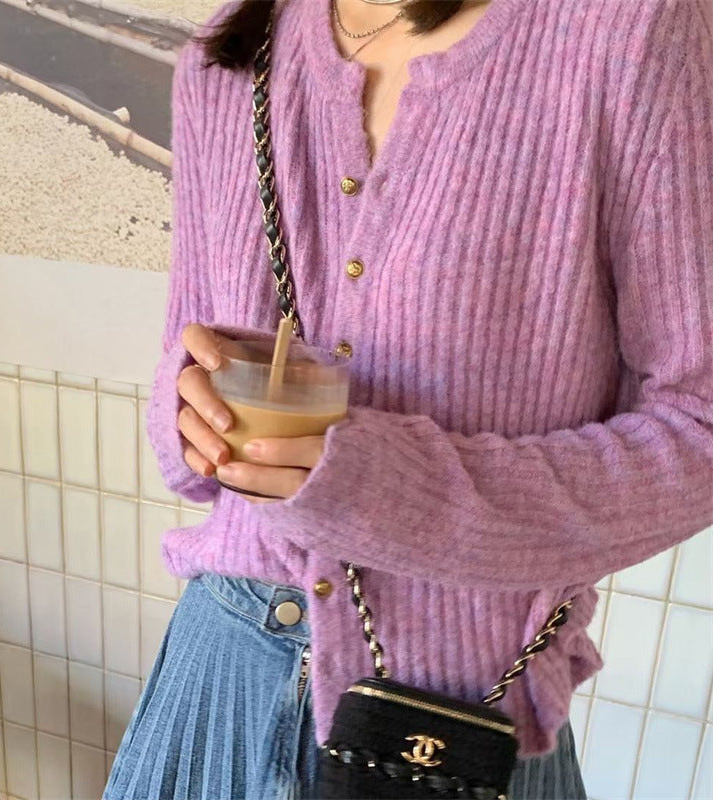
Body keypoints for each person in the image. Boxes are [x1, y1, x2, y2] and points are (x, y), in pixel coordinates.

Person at [104, 0, 713, 797]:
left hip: (452, 727)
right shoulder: (228, 55)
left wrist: (384, 489)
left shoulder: (631, 29)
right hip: (219, 681)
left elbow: (699, 428)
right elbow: (183, 362)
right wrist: (190, 417)